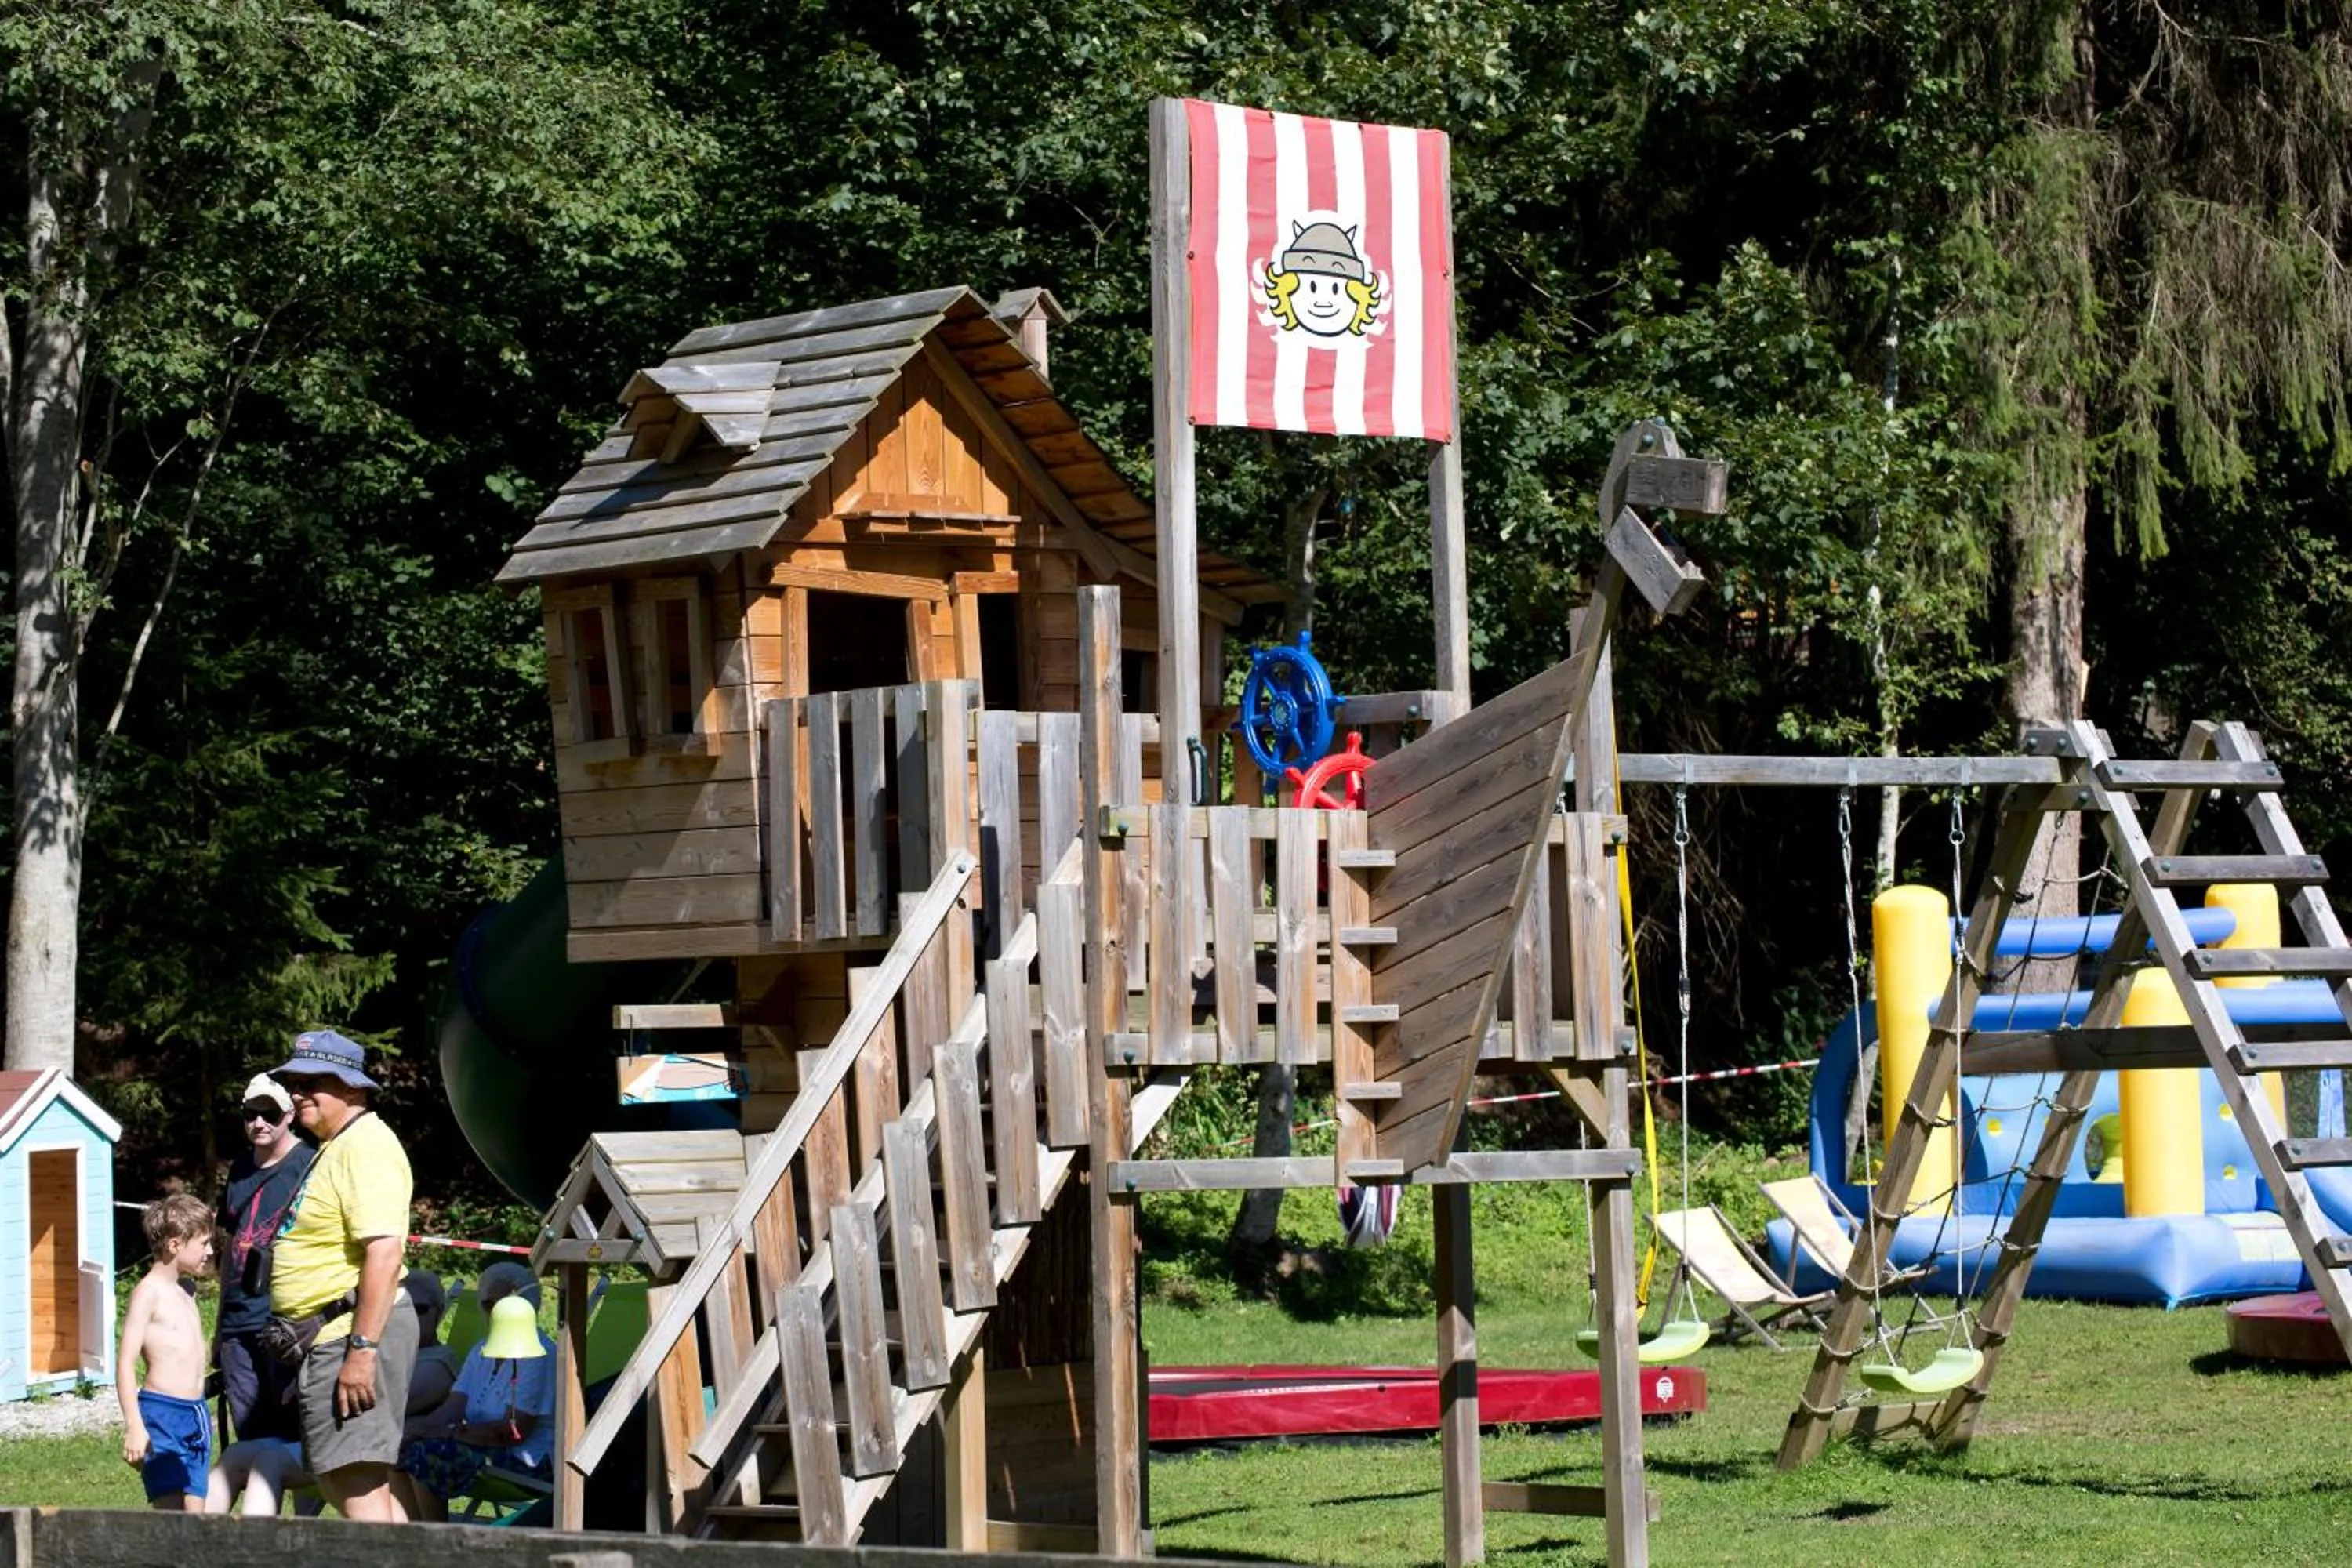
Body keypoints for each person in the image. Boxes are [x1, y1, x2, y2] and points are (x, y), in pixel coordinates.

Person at [267, 1028, 418, 1523]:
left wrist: (362, 1352)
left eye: (313, 1082)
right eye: (293, 1082)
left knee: (354, 1483)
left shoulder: (367, 1147)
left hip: (350, 1336)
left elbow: (384, 1253)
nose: (296, 1092)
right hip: (332, 1338)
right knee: (341, 1480)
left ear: (353, 1088)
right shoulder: (339, 1144)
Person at [394, 1261, 555, 1523]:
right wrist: (414, 1431)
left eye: (502, 1305)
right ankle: (408, 1536)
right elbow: (451, 1408)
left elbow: (514, 1432)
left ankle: (433, 1543)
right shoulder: (482, 1349)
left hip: (528, 1463)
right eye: (488, 1304)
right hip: (481, 1448)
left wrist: (450, 1433)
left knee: (425, 1455)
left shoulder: (539, 1354)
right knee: (397, 1448)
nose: (493, 1313)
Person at [215, 1073, 314, 1444]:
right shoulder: (239, 1168)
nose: (259, 1122)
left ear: (289, 1115)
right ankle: (263, 1503)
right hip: (237, 1323)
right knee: (251, 1435)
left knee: (293, 1433)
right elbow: (229, 1244)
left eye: (269, 1114)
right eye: (251, 1113)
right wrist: (219, 1327)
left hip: (286, 1319)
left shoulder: (310, 1164)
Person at [118, 1193, 218, 1513]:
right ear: (175, 1245)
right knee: (171, 1522)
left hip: (197, 1414)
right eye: (203, 1244)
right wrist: (135, 1424)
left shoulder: (186, 1290)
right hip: (162, 1416)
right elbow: (124, 1364)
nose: (210, 1252)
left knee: (196, 1519)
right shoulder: (147, 1293)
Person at [205, 1436, 313, 1517]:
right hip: (296, 1435)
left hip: (325, 1441)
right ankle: (198, 1542)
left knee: (269, 1464)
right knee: (235, 1456)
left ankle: (256, 1544)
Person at [402, 1272, 459, 1421]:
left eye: (419, 1309)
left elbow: (392, 1406)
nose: (408, 1316)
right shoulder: (385, 1349)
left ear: (438, 1311)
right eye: (401, 1309)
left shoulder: (440, 1363)